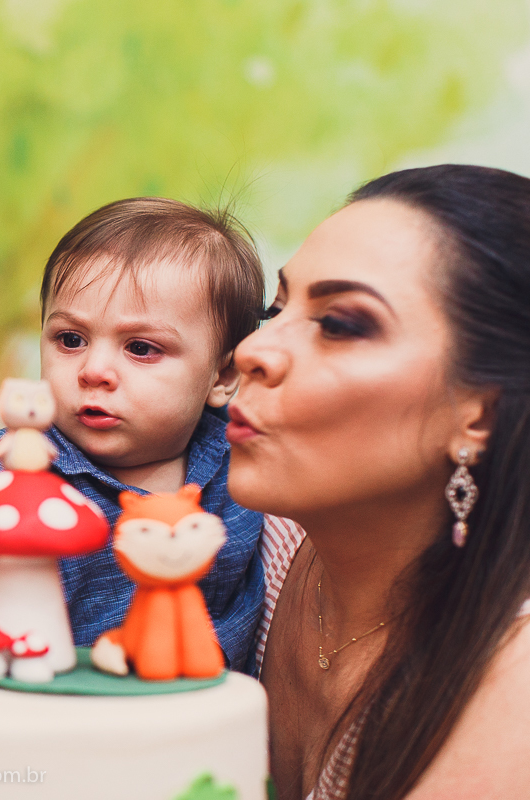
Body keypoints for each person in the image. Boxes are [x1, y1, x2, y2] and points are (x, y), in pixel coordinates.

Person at [0, 197, 269, 670]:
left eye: (142, 348)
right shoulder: (23, 462)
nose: (94, 370)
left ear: (223, 375)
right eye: (71, 340)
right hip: (46, 718)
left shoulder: (246, 466)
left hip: (202, 720)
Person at [229, 164, 530, 799]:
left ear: (480, 413)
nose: (251, 351)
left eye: (339, 324)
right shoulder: (263, 552)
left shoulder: (513, 674)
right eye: (274, 309)